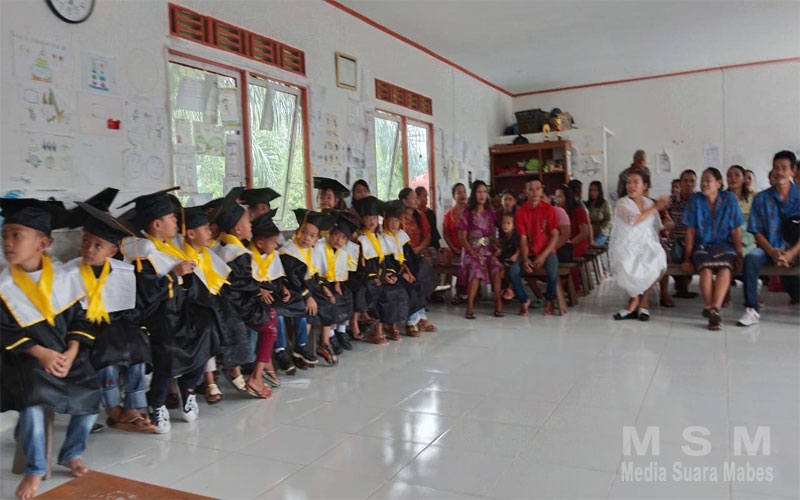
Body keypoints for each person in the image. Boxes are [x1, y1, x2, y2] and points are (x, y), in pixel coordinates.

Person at [1, 198, 99, 500]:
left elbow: (82, 319)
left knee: (90, 392)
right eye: (4, 235)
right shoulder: (3, 286)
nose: (7, 242)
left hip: (66, 355)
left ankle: (72, 452)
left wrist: (72, 352)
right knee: (33, 398)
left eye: (16, 235)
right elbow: (5, 331)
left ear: (43, 244)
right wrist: (41, 353)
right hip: (25, 359)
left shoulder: (66, 277)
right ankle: (35, 468)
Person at [117, 188, 213, 433]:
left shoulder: (161, 246)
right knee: (169, 347)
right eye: (171, 218)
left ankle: (188, 388)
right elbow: (146, 294)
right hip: (151, 316)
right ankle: (157, 402)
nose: (176, 222)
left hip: (174, 311)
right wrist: (175, 274)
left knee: (207, 329)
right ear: (157, 224)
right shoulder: (140, 252)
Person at [67, 200, 154, 432]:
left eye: (98, 245)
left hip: (115, 326)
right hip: (83, 330)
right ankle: (113, 408)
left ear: (112, 251)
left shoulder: (123, 272)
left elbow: (129, 310)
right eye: (86, 241)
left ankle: (134, 405)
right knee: (108, 353)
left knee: (137, 346)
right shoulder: (69, 272)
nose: (89, 249)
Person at [211, 189, 279, 397]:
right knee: (270, 325)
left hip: (222, 303)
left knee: (271, 316)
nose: (251, 225)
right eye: (248, 222)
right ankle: (256, 377)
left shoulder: (219, 248)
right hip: (234, 306)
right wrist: (258, 289)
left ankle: (257, 368)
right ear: (237, 229)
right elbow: (240, 284)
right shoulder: (238, 253)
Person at [737, 151, 800, 326]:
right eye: (776, 168)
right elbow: (756, 231)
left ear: (793, 171)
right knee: (751, 259)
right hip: (770, 249)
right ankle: (752, 310)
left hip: (797, 250)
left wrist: (791, 253)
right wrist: (772, 252)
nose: (779, 172)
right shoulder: (761, 198)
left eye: (784, 168)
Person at [681, 168, 744, 330]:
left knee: (725, 267)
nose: (703, 183)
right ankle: (710, 309)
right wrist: (687, 258)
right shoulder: (695, 200)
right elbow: (690, 231)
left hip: (725, 244)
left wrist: (739, 255)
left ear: (719, 183)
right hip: (702, 245)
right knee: (706, 269)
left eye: (708, 180)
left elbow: (736, 230)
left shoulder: (729, 199)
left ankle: (714, 309)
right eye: (702, 180)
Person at [249, 214, 307, 376]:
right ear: (260, 243)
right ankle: (280, 351)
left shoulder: (272, 254)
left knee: (300, 305)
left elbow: (278, 276)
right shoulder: (247, 255)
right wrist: (259, 290)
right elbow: (245, 280)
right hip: (257, 296)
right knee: (277, 315)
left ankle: (301, 346)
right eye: (273, 242)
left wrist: (284, 288)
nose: (276, 246)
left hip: (274, 291)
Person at [280, 209, 340, 363]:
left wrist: (325, 288)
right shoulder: (289, 251)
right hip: (293, 288)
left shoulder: (310, 251)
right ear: (297, 231)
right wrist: (308, 297)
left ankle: (324, 343)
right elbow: (293, 278)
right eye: (304, 232)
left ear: (316, 240)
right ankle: (301, 346)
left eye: (312, 236)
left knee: (329, 302)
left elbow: (315, 273)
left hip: (308, 285)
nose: (307, 238)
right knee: (310, 308)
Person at [610, 171, 668, 321]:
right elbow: (633, 220)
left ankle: (644, 302)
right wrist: (656, 207)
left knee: (657, 256)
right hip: (626, 244)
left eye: (636, 182)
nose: (631, 186)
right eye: (628, 183)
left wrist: (668, 224)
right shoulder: (622, 203)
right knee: (626, 261)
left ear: (645, 186)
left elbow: (657, 226)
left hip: (646, 242)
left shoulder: (649, 203)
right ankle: (634, 300)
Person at [353, 196, 409, 343]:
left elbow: (385, 261)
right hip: (365, 277)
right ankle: (377, 332)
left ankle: (392, 326)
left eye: (374, 218)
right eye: (368, 218)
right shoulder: (361, 239)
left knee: (397, 287)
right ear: (362, 220)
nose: (372, 221)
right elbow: (361, 266)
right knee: (381, 291)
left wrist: (389, 274)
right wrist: (377, 277)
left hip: (380, 275)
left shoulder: (379, 237)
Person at [381, 200, 437, 336]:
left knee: (421, 280)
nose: (394, 224)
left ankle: (421, 318)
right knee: (410, 287)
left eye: (396, 221)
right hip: (391, 273)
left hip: (403, 270)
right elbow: (387, 262)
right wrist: (403, 274)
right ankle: (411, 323)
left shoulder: (401, 236)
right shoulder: (382, 239)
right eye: (391, 220)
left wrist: (411, 272)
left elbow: (409, 257)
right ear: (385, 221)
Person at [514, 179, 561, 315]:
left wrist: (543, 256)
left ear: (541, 191)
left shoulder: (549, 209)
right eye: (531, 189)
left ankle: (549, 300)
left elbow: (555, 235)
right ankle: (524, 300)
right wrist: (525, 258)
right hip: (528, 252)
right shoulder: (521, 212)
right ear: (526, 192)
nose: (535, 192)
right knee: (513, 270)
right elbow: (523, 238)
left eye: (538, 189)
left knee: (553, 271)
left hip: (547, 251)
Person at [458, 180, 503, 318]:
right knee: (476, 268)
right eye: (479, 192)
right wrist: (473, 253)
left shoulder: (490, 212)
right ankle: (470, 305)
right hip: (471, 250)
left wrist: (496, 247)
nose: (482, 195)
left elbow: (493, 234)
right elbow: (462, 239)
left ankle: (498, 301)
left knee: (496, 265)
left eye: (484, 192)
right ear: (474, 194)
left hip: (488, 249)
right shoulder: (467, 213)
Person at [661, 169, 698, 302]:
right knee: (667, 255)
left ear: (696, 184)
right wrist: (666, 220)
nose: (689, 184)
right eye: (686, 181)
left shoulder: (699, 200)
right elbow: (662, 214)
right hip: (676, 240)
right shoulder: (672, 200)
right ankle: (664, 294)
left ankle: (683, 286)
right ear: (680, 183)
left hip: (695, 241)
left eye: (692, 181)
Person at [497, 211, 530, 315]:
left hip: (516, 257)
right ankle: (507, 289)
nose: (505, 225)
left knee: (512, 269)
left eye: (508, 223)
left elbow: (520, 247)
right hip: (507, 258)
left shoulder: (516, 236)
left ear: (514, 226)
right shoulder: (503, 236)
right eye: (504, 223)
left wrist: (516, 254)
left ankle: (511, 289)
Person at [443, 183, 468, 304]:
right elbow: (446, 234)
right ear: (454, 196)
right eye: (459, 192)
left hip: (470, 249)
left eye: (464, 192)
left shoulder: (471, 212)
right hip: (454, 250)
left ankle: (463, 292)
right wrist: (453, 248)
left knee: (466, 261)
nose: (462, 195)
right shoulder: (448, 214)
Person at [727, 165, 756, 256]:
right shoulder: (721, 199)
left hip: (751, 241)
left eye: (737, 175)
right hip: (728, 241)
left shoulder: (754, 198)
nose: (733, 178)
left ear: (743, 179)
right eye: (729, 175)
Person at [545, 188, 572, 263]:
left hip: (561, 247)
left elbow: (565, 235)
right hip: (543, 248)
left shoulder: (559, 211)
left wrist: (548, 250)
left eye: (542, 197)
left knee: (551, 258)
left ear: (549, 198)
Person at [587, 181, 613, 246]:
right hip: (588, 233)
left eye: (595, 190)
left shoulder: (605, 204)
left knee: (594, 244)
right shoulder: (587, 204)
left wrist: (599, 230)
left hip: (602, 233)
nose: (592, 192)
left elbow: (609, 220)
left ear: (599, 191)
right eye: (590, 190)